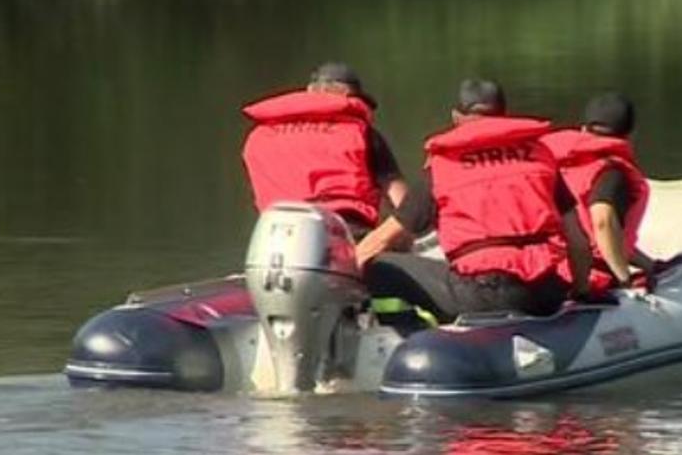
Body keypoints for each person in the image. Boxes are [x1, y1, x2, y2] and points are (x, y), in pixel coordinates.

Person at [354, 79, 593, 323]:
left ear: (456, 117)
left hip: (482, 295)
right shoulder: (541, 156)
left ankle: (402, 333)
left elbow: (382, 239)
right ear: (504, 114)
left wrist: (348, 264)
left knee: (382, 266)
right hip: (546, 293)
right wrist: (581, 292)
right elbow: (578, 241)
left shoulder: (443, 167)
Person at [240, 62, 407, 236]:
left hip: (276, 234)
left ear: (310, 91)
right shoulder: (360, 133)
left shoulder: (258, 136)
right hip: (344, 229)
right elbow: (402, 203)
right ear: (347, 95)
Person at [541, 93, 656, 294]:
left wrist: (647, 263)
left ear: (583, 129)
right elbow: (602, 222)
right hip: (588, 277)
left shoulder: (547, 164)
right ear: (630, 135)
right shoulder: (612, 173)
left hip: (545, 270)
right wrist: (625, 279)